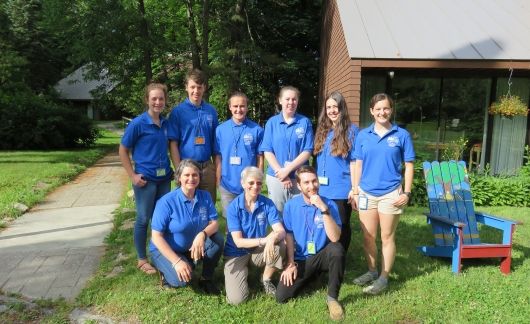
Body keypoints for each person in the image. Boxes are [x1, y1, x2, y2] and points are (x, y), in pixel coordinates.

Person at [352, 93, 415, 295]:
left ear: (391, 110)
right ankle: (371, 271)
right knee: (368, 236)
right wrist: (355, 190)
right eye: (378, 109)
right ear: (371, 111)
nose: (382, 112)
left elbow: (409, 165)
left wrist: (407, 192)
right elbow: (357, 164)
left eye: (386, 108)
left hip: (391, 193)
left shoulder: (401, 135)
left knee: (387, 237)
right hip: (366, 193)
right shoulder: (362, 135)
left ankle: (384, 277)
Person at [276, 166, 345, 321]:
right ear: (299, 186)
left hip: (322, 255)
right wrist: (290, 263)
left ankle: (332, 298)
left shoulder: (329, 204)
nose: (311, 186)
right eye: (306, 182)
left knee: (337, 249)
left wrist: (323, 209)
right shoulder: (291, 206)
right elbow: (288, 235)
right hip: (301, 259)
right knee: (281, 296)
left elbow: (335, 238)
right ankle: (312, 276)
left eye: (314, 181)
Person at [119, 83, 173, 275]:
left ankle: (160, 253)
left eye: (161, 99)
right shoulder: (138, 124)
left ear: (165, 101)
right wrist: (132, 175)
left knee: (162, 219)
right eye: (154, 99)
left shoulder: (166, 123)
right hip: (145, 180)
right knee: (143, 218)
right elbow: (123, 150)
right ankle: (142, 259)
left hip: (164, 178)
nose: (158, 102)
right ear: (147, 100)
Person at [149, 159, 224, 294]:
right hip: (166, 249)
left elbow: (214, 223)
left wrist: (202, 235)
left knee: (217, 239)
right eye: (187, 175)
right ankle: (166, 272)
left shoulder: (205, 196)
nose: (191, 178)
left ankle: (206, 278)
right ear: (179, 177)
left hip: (191, 246)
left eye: (195, 175)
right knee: (182, 281)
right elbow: (156, 237)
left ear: (199, 177)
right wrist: (177, 261)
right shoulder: (166, 202)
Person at [223, 166, 286, 305]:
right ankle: (241, 272)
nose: (255, 186)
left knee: (281, 245)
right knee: (237, 301)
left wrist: (273, 239)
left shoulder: (267, 203)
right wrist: (266, 240)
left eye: (258, 183)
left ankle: (266, 279)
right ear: (243, 183)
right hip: (236, 253)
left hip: (257, 252)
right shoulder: (233, 207)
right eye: (251, 183)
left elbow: (280, 231)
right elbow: (238, 242)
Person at [314, 91, 359, 252]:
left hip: (341, 189)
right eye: (329, 107)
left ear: (342, 108)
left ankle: (340, 258)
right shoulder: (322, 130)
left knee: (342, 224)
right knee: (325, 221)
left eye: (336, 107)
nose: (332, 110)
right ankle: (327, 255)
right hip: (322, 188)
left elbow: (355, 162)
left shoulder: (352, 131)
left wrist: (355, 189)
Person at [260, 86, 314, 213]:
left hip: (300, 177)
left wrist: (288, 170)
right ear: (280, 100)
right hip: (276, 177)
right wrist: (281, 174)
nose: (291, 102)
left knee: (300, 213)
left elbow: (307, 150)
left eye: (294, 99)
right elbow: (267, 150)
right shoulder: (272, 123)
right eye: (287, 99)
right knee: (277, 215)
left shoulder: (305, 122)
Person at [168, 69, 218, 203]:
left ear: (204, 88)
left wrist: (217, 169)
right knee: (188, 206)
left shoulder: (211, 111)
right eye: (192, 87)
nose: (196, 91)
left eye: (199, 87)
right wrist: (179, 169)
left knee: (208, 205)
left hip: (207, 166)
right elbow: (173, 143)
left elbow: (215, 143)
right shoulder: (177, 112)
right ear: (186, 87)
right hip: (187, 166)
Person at [215, 92, 264, 218]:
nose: (238, 109)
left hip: (249, 184)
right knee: (230, 219)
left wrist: (258, 178)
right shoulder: (220, 130)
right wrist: (217, 178)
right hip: (227, 183)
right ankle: (230, 238)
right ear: (230, 107)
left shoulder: (256, 130)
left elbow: (260, 157)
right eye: (235, 106)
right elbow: (218, 156)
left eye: (242, 106)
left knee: (249, 217)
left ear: (247, 107)